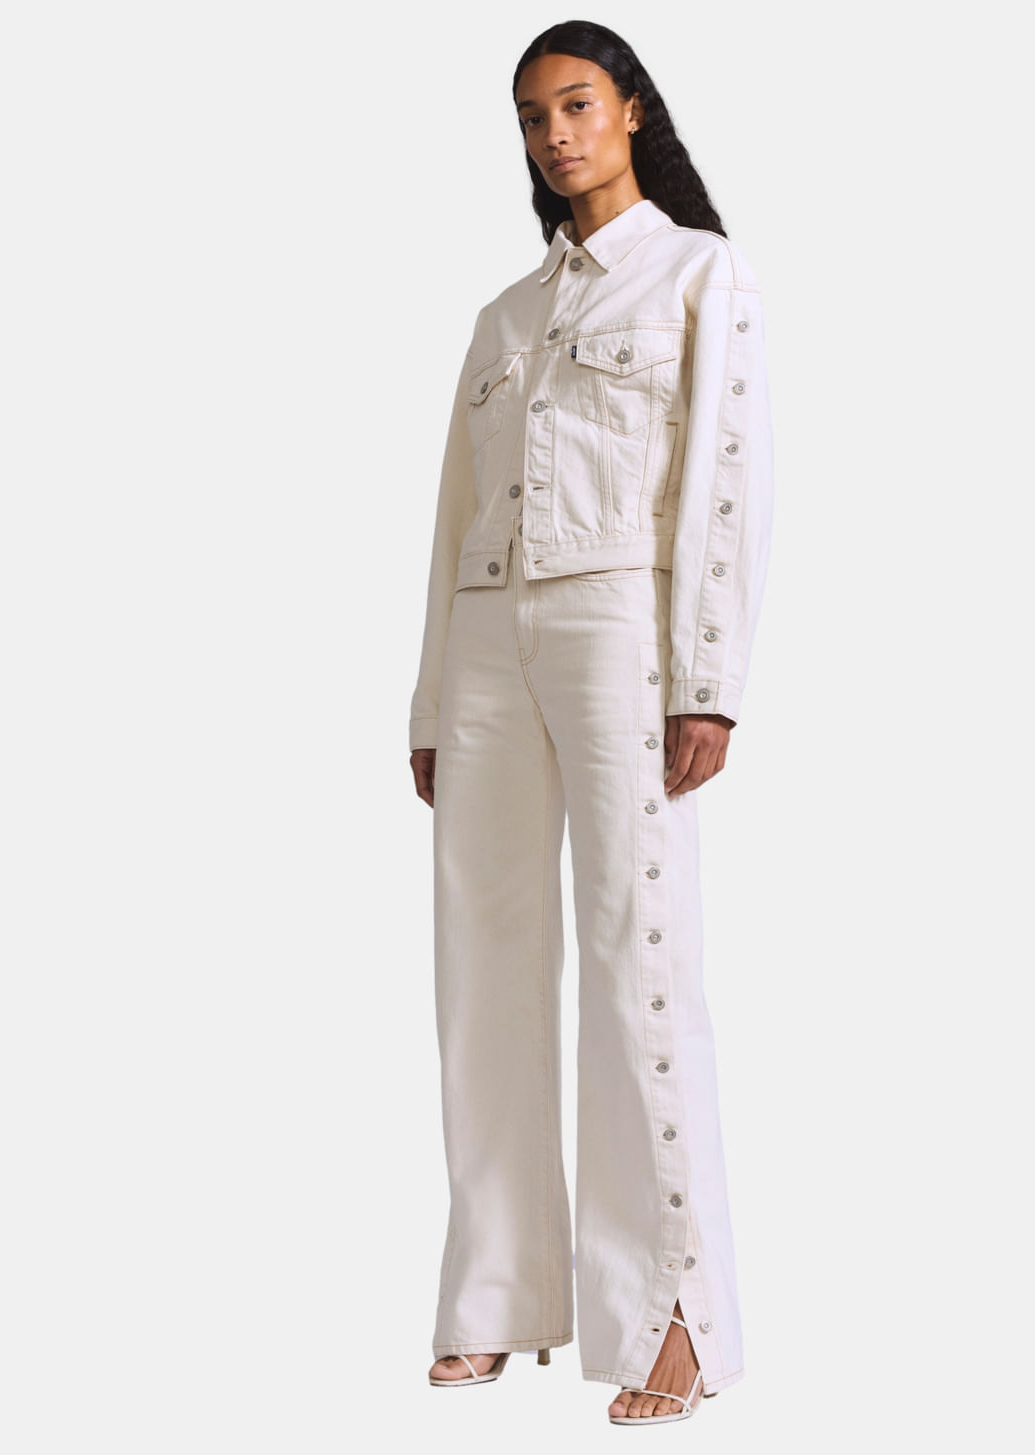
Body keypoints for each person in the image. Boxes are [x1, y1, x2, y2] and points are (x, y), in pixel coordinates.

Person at [408, 20, 775, 1426]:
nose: (555, 134)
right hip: (487, 643)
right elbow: (451, 518)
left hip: (621, 628)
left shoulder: (699, 272)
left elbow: (725, 484)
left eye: (575, 105)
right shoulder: (503, 319)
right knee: (481, 964)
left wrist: (706, 679)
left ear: (629, 112)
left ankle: (675, 1309)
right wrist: (433, 697)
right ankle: (495, 1294)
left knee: (639, 949)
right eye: (532, 116)